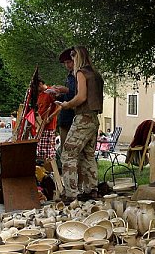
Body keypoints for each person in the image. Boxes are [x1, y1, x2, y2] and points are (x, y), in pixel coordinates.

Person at [58, 46, 104, 202]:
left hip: (83, 117)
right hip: (94, 119)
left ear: (77, 57)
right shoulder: (96, 74)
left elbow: (81, 97)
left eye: (72, 57)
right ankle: (92, 190)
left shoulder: (81, 73)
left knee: (68, 154)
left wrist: (67, 104)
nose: (70, 62)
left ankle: (71, 194)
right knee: (87, 155)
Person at [54, 48, 77, 149]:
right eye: (65, 63)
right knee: (64, 149)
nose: (67, 65)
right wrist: (59, 94)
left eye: (69, 62)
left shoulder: (78, 75)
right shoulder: (70, 76)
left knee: (70, 150)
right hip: (65, 117)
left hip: (72, 117)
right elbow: (68, 96)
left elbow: (78, 95)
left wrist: (66, 90)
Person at [36, 79, 59, 161]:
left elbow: (59, 106)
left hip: (49, 126)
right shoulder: (40, 94)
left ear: (40, 84)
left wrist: (50, 118)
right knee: (41, 151)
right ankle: (44, 169)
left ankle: (50, 169)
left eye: (37, 86)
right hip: (41, 126)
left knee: (47, 152)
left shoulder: (50, 92)